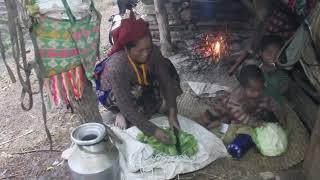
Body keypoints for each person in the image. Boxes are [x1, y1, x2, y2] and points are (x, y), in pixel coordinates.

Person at [98, 13, 182, 145]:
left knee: (167, 67)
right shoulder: (117, 66)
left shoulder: (153, 52)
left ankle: (158, 104)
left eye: (148, 49)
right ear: (127, 48)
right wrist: (153, 131)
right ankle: (120, 113)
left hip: (140, 81)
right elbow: (126, 104)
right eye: (140, 50)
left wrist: (172, 112)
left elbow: (166, 81)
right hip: (115, 92)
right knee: (133, 98)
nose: (145, 54)